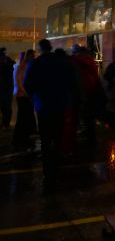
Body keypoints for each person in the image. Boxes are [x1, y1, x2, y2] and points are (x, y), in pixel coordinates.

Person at [24, 39, 80, 188]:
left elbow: (27, 85)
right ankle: (56, 166)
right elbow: (73, 83)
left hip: (43, 106)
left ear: (40, 49)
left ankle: (48, 170)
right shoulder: (63, 63)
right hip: (61, 104)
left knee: (45, 138)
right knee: (57, 136)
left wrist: (36, 98)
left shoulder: (35, 63)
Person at [12, 49, 37, 149]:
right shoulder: (22, 67)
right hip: (23, 96)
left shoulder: (26, 66)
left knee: (25, 117)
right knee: (22, 117)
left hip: (25, 96)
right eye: (32, 56)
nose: (34, 58)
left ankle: (23, 137)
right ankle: (19, 138)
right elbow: (20, 82)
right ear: (28, 56)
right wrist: (28, 93)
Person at [0, 47, 15, 130]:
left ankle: (5, 124)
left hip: (6, 89)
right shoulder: (8, 61)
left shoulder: (7, 62)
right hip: (7, 89)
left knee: (6, 108)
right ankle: (5, 124)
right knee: (6, 108)